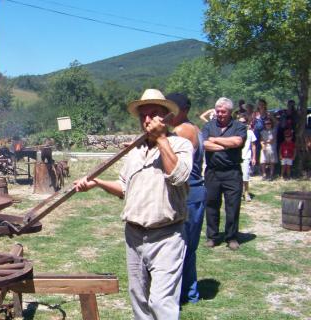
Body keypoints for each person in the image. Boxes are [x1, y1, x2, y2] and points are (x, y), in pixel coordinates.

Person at [74, 89, 192, 319]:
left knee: (161, 303)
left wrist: (161, 139)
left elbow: (178, 176)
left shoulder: (179, 145)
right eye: (143, 115)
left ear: (166, 116)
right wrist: (97, 183)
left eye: (154, 113)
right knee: (139, 301)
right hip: (134, 235)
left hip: (166, 236)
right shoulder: (134, 152)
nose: (147, 120)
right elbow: (124, 187)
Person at [165, 93, 205, 305]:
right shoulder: (196, 129)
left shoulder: (181, 132)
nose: (168, 115)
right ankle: (191, 292)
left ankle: (180, 294)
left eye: (172, 110)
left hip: (187, 192)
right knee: (189, 247)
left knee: (180, 245)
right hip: (197, 191)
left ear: (184, 111)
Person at [202, 97, 246, 251]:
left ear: (230, 112)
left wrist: (215, 139)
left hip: (232, 172)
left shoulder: (239, 126)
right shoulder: (208, 126)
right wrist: (225, 144)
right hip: (212, 172)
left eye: (223, 111)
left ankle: (231, 237)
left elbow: (237, 142)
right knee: (211, 204)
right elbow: (204, 144)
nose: (220, 114)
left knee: (232, 206)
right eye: (218, 111)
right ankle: (212, 237)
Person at [237, 114, 257, 201]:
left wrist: (254, 157)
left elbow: (253, 146)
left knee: (245, 176)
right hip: (237, 157)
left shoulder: (250, 132)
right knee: (238, 177)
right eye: (240, 122)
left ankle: (246, 193)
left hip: (246, 157)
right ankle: (240, 193)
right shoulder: (235, 132)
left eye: (244, 122)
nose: (242, 124)